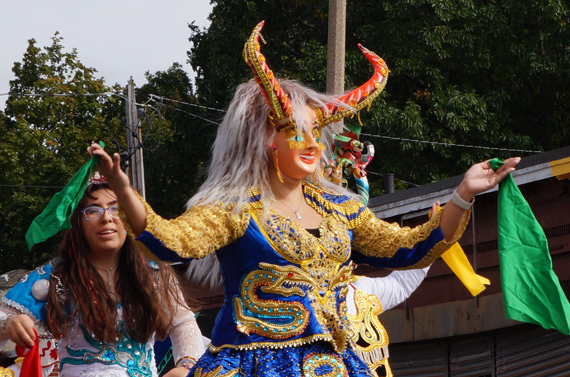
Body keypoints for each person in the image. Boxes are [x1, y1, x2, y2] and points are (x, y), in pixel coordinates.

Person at [88, 20, 520, 377]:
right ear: (266, 141)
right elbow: (170, 241)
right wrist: (123, 189)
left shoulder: (341, 209)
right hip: (251, 363)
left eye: (317, 131)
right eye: (296, 131)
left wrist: (463, 194)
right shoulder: (237, 209)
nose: (312, 143)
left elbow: (411, 248)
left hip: (334, 363)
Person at [0, 174, 204, 377]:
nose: (106, 217)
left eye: (116, 208)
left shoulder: (154, 272)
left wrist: (186, 367)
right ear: (78, 221)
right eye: (93, 210)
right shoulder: (57, 276)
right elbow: (4, 316)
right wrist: (8, 325)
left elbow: (182, 322)